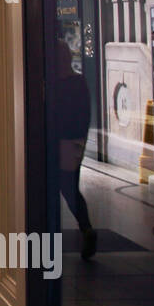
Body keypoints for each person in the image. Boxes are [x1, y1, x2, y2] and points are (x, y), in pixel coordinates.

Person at [53, 41, 96, 260]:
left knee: (58, 189)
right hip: (73, 145)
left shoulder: (54, 85)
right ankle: (86, 228)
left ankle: (83, 230)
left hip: (59, 144)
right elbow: (85, 116)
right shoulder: (79, 82)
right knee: (70, 189)